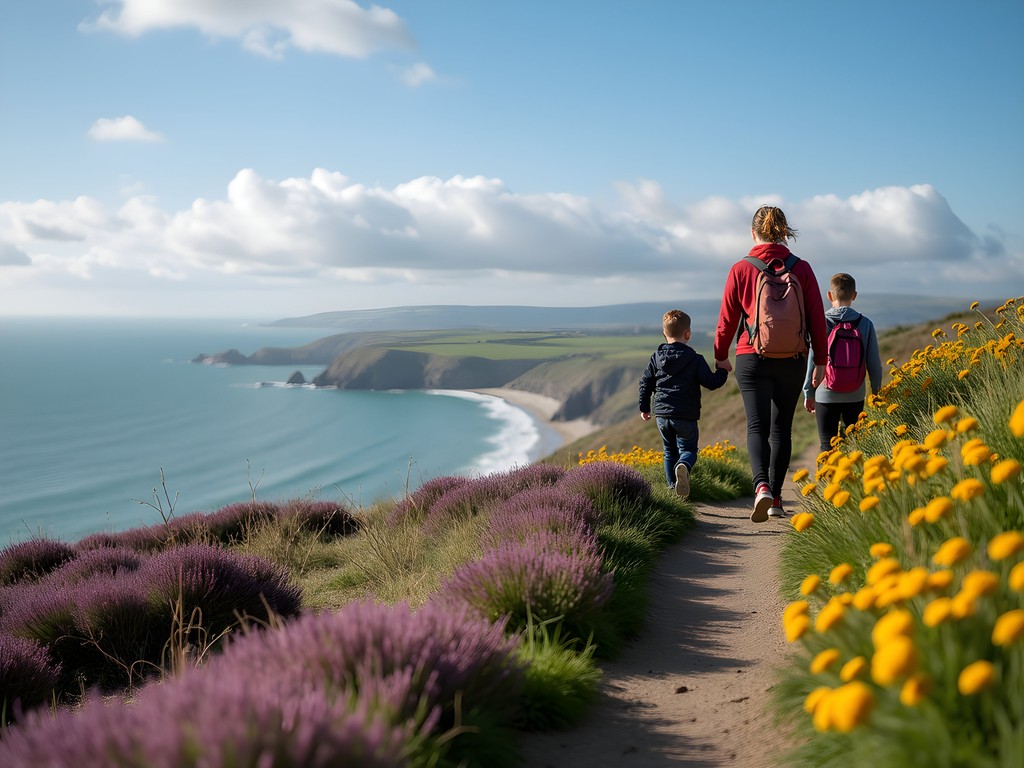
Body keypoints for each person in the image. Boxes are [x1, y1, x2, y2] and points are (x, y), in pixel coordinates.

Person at [714, 206, 828, 522]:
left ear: (753, 233)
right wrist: (821, 359)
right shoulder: (801, 268)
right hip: (792, 358)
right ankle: (777, 498)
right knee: (781, 429)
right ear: (784, 231)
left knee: (757, 426)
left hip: (751, 356)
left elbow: (727, 319)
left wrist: (721, 355)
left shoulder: (741, 268)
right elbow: (817, 317)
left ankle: (761, 486)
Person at [639, 309, 729, 499]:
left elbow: (645, 382)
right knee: (688, 451)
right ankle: (684, 466)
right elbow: (711, 383)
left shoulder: (656, 358)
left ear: (664, 334)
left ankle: (673, 489)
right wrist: (723, 370)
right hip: (685, 415)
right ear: (688, 334)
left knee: (668, 451)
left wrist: (644, 407)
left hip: (662, 415)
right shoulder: (695, 359)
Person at [803, 272, 883, 455]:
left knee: (826, 445)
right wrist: (876, 393)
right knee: (854, 445)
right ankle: (851, 481)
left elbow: (813, 360)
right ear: (854, 295)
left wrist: (809, 392)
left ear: (829, 295)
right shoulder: (866, 324)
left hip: (825, 393)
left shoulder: (820, 323)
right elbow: (874, 364)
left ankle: (828, 482)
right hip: (855, 394)